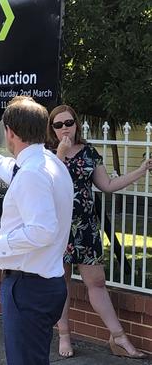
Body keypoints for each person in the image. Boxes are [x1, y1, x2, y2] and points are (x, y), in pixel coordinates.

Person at [46, 104, 149, 359]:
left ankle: (119, 338)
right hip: (57, 228)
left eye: (68, 123)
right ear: (52, 129)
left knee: (97, 283)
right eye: (58, 125)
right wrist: (60, 153)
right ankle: (64, 335)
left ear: (76, 124)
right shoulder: (47, 154)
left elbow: (108, 185)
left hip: (85, 229)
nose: (64, 129)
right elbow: (43, 183)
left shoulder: (89, 152)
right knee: (62, 284)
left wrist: (140, 171)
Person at [0, 96, 74, 365]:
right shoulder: (51, 163)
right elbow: (15, 171)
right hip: (44, 284)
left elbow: (42, 230)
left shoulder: (33, 172)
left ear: (10, 132)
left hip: (28, 289)